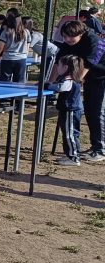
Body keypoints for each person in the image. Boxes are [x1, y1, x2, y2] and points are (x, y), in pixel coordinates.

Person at [58, 20, 105, 161]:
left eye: (70, 37)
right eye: (64, 37)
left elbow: (88, 63)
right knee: (89, 111)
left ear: (80, 33)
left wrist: (74, 81)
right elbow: (58, 61)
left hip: (102, 76)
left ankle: (100, 149)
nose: (67, 40)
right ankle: (95, 146)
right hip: (90, 78)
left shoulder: (93, 40)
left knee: (97, 112)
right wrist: (49, 80)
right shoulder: (67, 43)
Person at [51, 54, 85, 167]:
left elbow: (59, 88)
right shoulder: (66, 78)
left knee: (70, 134)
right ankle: (70, 154)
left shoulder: (69, 80)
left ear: (65, 67)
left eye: (59, 66)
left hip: (71, 110)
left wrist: (47, 85)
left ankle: (74, 158)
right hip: (67, 109)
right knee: (68, 133)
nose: (57, 68)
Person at [0, 14, 29, 82]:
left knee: (4, 81)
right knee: (19, 81)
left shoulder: (6, 32)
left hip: (8, 58)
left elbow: (0, 47)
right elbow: (27, 47)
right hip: (21, 58)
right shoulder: (26, 32)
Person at [22, 16, 58, 81]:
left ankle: (44, 86)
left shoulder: (35, 35)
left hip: (52, 53)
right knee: (44, 71)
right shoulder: (29, 35)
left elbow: (27, 46)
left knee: (47, 73)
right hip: (46, 55)